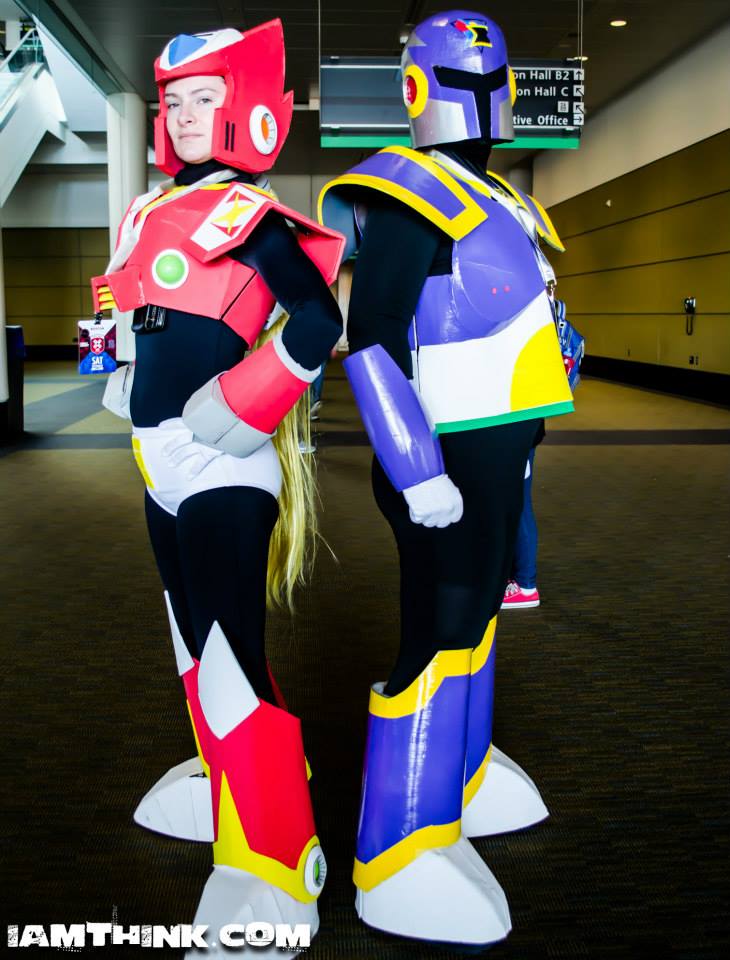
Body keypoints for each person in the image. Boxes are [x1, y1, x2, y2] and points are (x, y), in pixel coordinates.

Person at [319, 9, 573, 948]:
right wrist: (415, 466)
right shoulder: (405, 192)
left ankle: (457, 779)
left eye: (489, 77)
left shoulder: (503, 200)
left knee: (474, 620)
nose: (481, 96)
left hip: (499, 448)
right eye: (463, 78)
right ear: (421, 87)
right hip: (443, 454)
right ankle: (398, 845)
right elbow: (373, 337)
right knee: (435, 630)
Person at [91, 21, 344, 956]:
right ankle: (241, 786)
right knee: (196, 652)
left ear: (243, 106)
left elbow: (319, 320)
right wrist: (123, 371)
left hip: (223, 463)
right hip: (156, 458)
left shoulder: (255, 216)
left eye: (206, 97)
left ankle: (277, 865)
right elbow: (135, 315)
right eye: (176, 101)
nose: (188, 115)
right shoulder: (146, 213)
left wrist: (247, 400)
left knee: (232, 658)